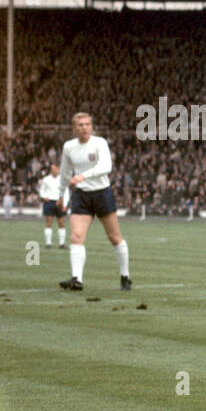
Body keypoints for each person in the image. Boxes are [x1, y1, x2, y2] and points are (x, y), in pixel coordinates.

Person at [58, 111, 131, 292]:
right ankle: (77, 279)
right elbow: (65, 173)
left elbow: (106, 167)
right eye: (80, 125)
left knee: (114, 237)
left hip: (101, 193)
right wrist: (60, 194)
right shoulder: (69, 147)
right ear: (74, 128)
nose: (84, 128)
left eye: (87, 124)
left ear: (92, 126)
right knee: (76, 237)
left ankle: (125, 276)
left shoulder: (100, 143)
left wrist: (83, 176)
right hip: (81, 195)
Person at [37, 162, 68, 248]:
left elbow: (66, 192)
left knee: (61, 223)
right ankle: (48, 243)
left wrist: (65, 204)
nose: (54, 171)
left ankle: (62, 244)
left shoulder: (63, 179)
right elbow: (42, 190)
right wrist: (44, 196)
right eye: (52, 169)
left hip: (60, 202)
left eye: (55, 169)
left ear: (58, 169)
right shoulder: (46, 179)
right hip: (49, 202)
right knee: (49, 223)